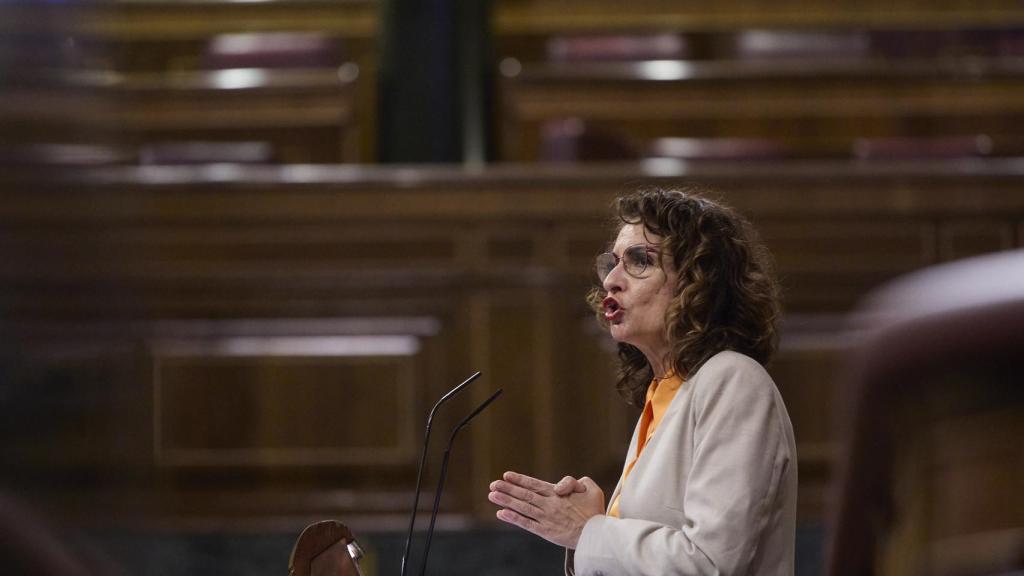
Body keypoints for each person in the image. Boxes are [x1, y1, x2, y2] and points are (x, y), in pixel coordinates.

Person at [487, 187, 797, 575]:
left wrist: (589, 531)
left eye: (639, 261)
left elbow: (710, 564)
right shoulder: (665, 390)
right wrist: (599, 524)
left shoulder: (734, 381)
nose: (612, 281)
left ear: (697, 281)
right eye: (612, 263)